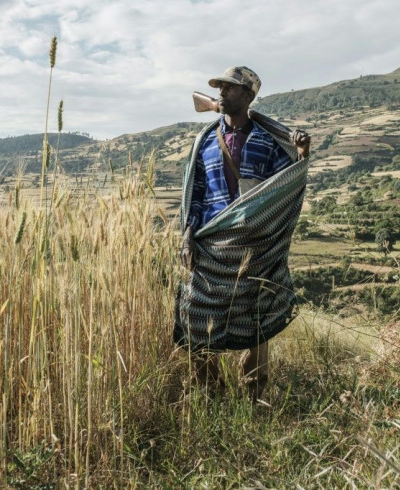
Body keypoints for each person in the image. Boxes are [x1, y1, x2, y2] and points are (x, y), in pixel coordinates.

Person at [173, 66, 310, 401]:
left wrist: (302, 156)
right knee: (195, 317)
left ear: (249, 96)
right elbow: (196, 192)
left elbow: (284, 187)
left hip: (256, 248)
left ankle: (254, 395)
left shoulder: (268, 142)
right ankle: (212, 392)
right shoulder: (205, 141)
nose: (222, 92)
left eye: (231, 88)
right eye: (220, 87)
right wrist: (187, 235)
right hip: (211, 247)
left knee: (256, 324)